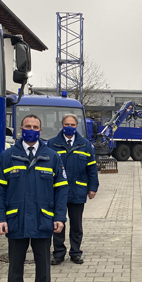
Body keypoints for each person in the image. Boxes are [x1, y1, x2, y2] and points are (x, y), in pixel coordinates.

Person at [0, 114, 68, 282]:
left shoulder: (52, 156)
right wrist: (0, 218)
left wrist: (60, 217)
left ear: (40, 131)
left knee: (43, 263)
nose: (31, 129)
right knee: (15, 264)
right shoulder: (7, 156)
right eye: (28, 126)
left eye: (35, 126)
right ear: (20, 129)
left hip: (43, 219)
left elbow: (61, 190)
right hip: (16, 219)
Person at [49, 113, 99, 265]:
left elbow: (92, 169)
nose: (69, 127)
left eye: (72, 125)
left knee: (76, 224)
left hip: (78, 191)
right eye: (67, 125)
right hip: (57, 192)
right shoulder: (52, 144)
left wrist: (93, 187)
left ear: (77, 126)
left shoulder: (85, 145)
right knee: (58, 223)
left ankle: (75, 252)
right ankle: (58, 253)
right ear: (62, 125)